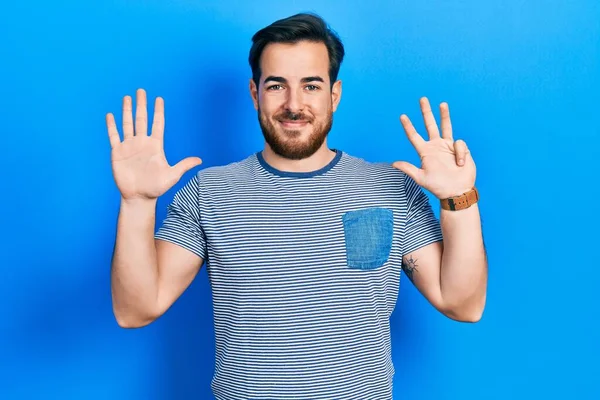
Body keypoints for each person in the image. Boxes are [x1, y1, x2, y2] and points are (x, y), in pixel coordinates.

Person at [107, 12, 487, 400]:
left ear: (333, 95)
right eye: (276, 86)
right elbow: (135, 309)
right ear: (254, 93)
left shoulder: (389, 188)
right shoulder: (210, 192)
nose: (294, 104)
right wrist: (136, 202)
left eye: (311, 85)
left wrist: (459, 200)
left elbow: (462, 304)